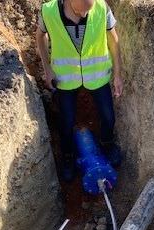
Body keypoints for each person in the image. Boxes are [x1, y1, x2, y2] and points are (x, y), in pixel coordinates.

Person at [36, 0, 123, 182]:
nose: (85, 15)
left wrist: (117, 75)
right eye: (80, 11)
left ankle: (106, 144)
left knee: (108, 117)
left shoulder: (101, 7)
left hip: (96, 75)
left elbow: (114, 41)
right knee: (66, 123)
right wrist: (47, 69)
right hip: (66, 78)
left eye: (88, 10)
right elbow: (40, 36)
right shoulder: (49, 11)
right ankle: (68, 157)